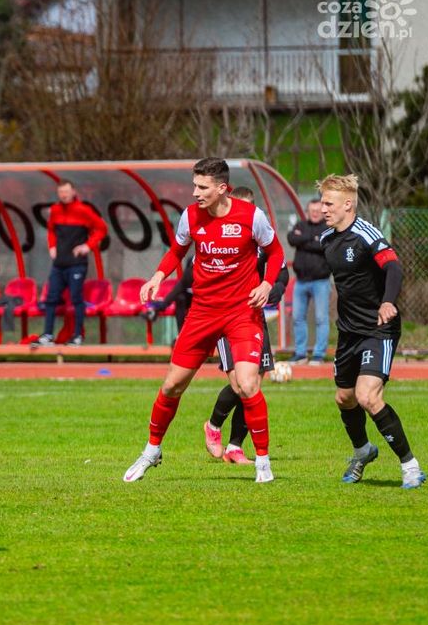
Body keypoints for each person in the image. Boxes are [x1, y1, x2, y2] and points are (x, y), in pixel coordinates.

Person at [123, 158, 284, 484]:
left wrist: (266, 284)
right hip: (202, 313)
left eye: (202, 187)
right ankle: (152, 450)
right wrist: (157, 276)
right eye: (194, 185)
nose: (195, 192)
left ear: (222, 189)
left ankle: (263, 463)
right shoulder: (190, 216)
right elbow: (177, 252)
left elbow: (277, 253)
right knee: (172, 385)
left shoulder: (251, 216)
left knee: (249, 383)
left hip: (241, 313)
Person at [318, 174, 425, 488]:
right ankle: (363, 451)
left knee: (368, 396)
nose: (323, 208)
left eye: (329, 203)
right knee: (345, 398)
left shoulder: (365, 233)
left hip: (379, 329)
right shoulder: (326, 240)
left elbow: (393, 266)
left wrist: (388, 302)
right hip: (348, 332)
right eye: (322, 202)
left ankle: (410, 466)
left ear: (347, 204)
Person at [202, 186, 289, 465]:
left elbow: (282, 270)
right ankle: (213, 425)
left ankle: (235, 447)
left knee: (252, 387)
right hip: (225, 318)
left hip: (253, 318)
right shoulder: (216, 236)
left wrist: (273, 290)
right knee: (240, 385)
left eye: (251, 206)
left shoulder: (261, 234)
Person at [34, 181, 108, 346]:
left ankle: (77, 336)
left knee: (76, 298)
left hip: (77, 264)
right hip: (59, 263)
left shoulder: (84, 210)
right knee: (51, 298)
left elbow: (102, 228)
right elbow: (51, 230)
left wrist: (87, 246)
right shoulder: (55, 210)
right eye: (61, 192)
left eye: (66, 191)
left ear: (73, 191)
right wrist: (52, 246)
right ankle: (47, 335)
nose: (64, 195)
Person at [286, 198, 332, 364]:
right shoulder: (301, 225)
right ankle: (300, 353)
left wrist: (304, 240)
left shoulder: (327, 228)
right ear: (307, 212)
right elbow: (291, 239)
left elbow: (323, 245)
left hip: (321, 281)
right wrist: (312, 239)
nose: (315, 213)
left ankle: (318, 354)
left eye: (318, 211)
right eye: (312, 211)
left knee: (321, 318)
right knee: (298, 317)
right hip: (301, 281)